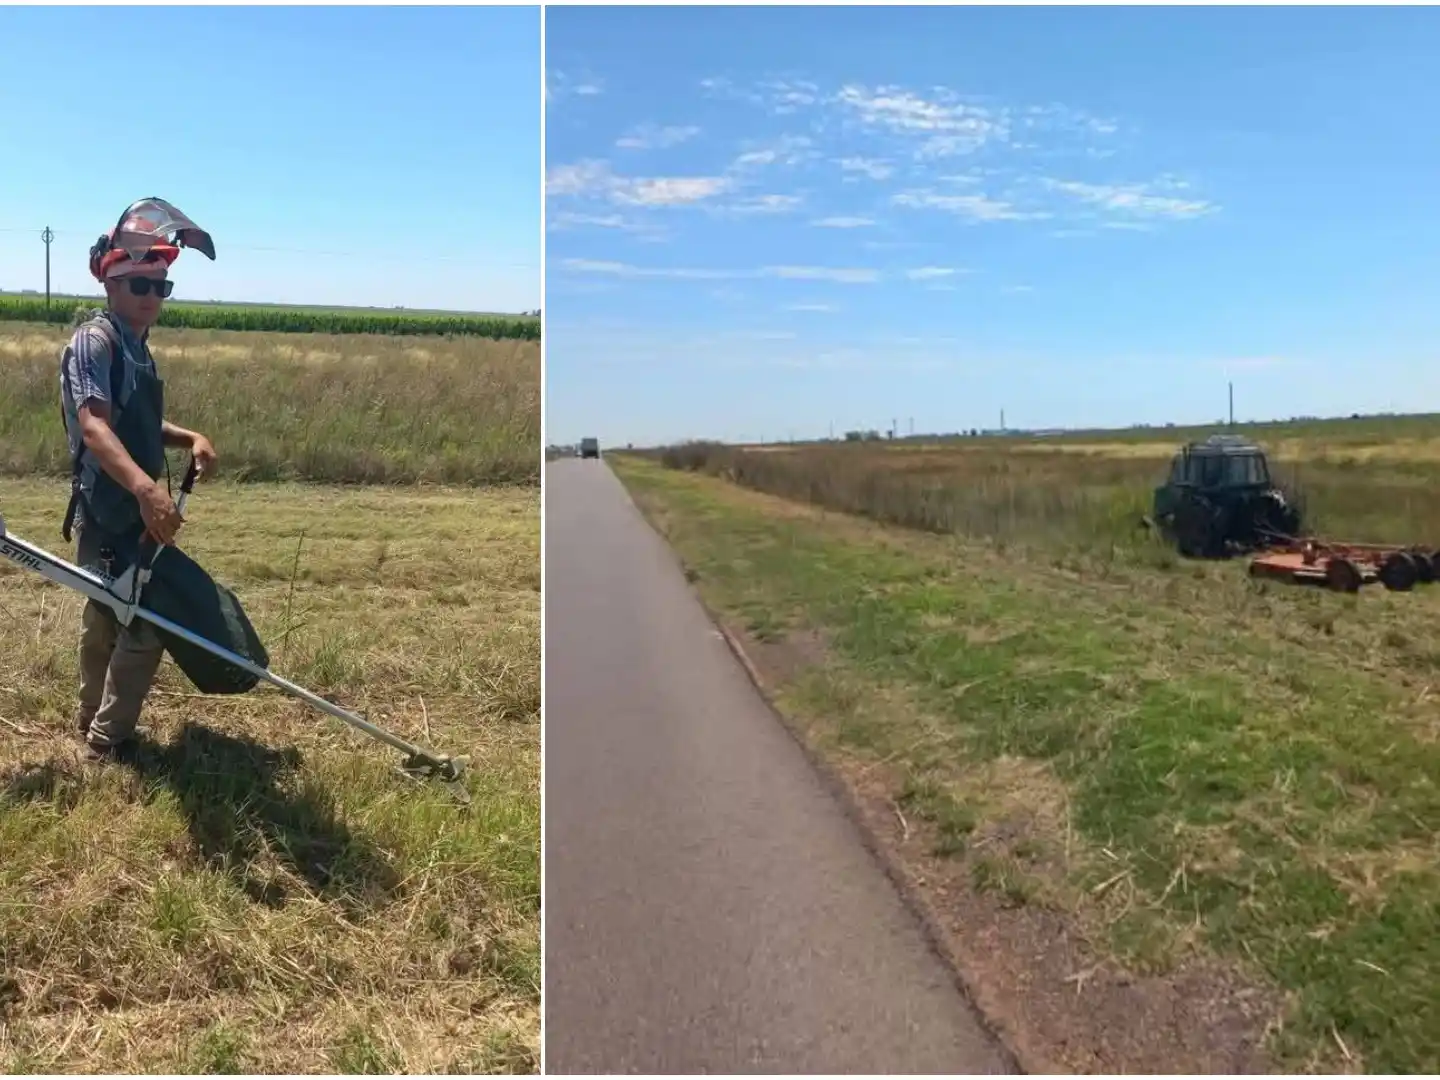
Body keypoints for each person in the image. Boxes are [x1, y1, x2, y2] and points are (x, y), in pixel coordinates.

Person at [59, 223, 217, 760]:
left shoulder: (137, 348)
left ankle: (94, 725)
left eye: (161, 287)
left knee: (115, 616)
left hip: (137, 506)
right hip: (110, 507)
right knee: (138, 621)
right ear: (110, 285)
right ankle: (105, 740)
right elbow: (95, 427)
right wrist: (148, 489)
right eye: (140, 286)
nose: (153, 297)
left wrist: (190, 436)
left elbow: (140, 421)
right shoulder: (95, 341)